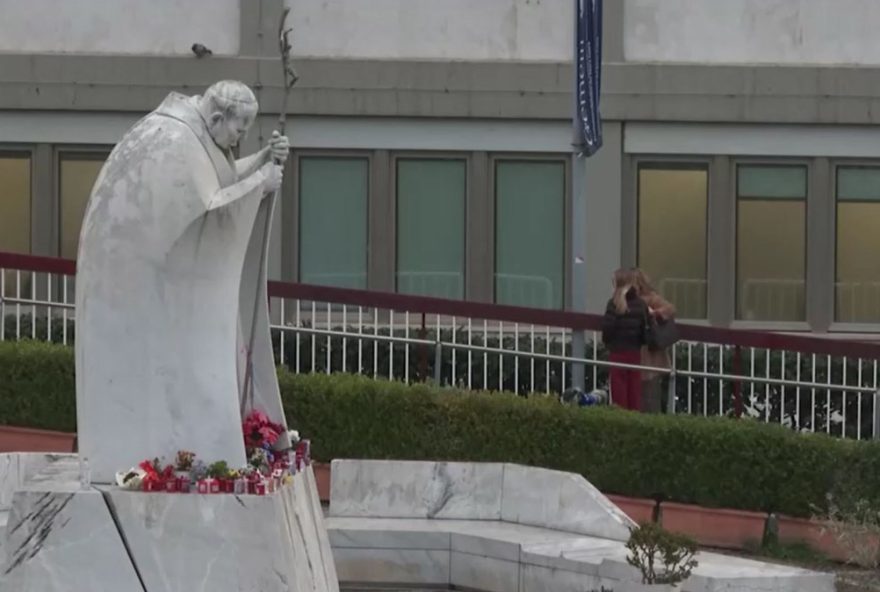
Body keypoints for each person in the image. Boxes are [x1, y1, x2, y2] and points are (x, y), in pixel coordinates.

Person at [601, 268, 649, 411]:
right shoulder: (641, 304)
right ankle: (634, 419)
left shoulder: (613, 303)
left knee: (619, 390)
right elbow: (644, 331)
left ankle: (620, 419)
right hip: (634, 352)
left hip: (617, 352)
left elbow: (607, 330)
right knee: (634, 388)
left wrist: (608, 343)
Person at [634, 269, 676, 413]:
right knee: (640, 391)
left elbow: (670, 309)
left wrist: (655, 313)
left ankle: (652, 417)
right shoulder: (629, 300)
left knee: (650, 393)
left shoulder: (650, 298)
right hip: (640, 349)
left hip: (650, 350)